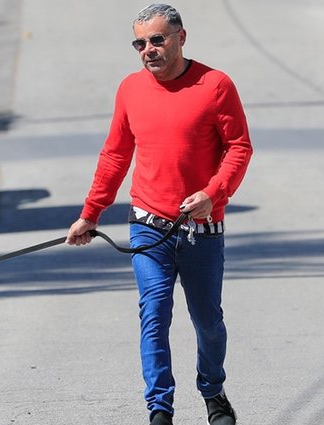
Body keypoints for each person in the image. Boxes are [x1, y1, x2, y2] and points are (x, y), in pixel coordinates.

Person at [65, 4, 252, 425]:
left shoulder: (215, 85)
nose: (148, 49)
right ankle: (159, 408)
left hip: (201, 228)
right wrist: (90, 213)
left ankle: (213, 390)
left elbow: (239, 148)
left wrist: (212, 193)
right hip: (148, 225)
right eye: (140, 43)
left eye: (156, 40)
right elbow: (115, 155)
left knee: (208, 321)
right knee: (154, 312)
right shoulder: (130, 89)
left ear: (181, 38)